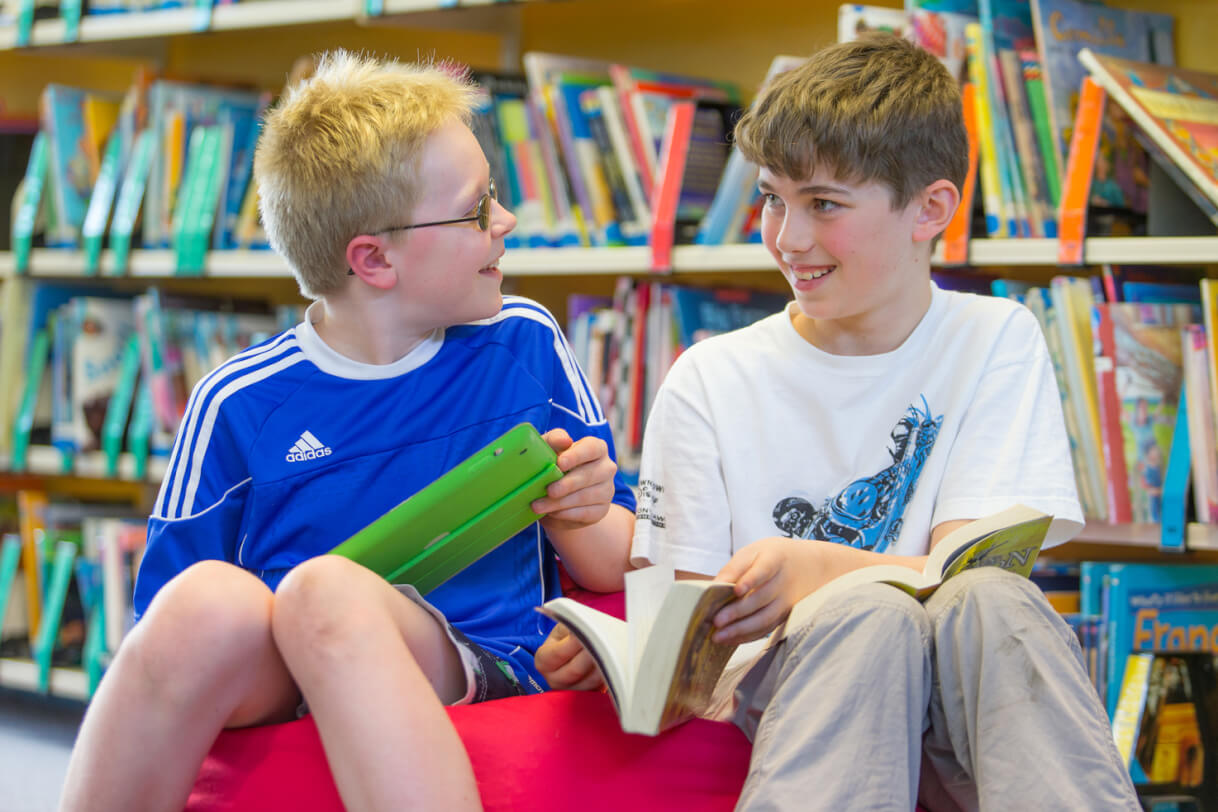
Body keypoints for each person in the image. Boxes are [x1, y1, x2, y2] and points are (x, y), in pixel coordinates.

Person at [537, 35, 1141, 811]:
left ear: (930, 209)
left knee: (996, 600)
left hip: (966, 716)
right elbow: (690, 630)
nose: (788, 238)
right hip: (806, 705)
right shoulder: (710, 378)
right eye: (771, 198)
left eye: (823, 203)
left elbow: (970, 573)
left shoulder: (995, 336)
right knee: (871, 613)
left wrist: (815, 570)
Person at [60, 51, 635, 812]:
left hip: (480, 657)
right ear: (373, 259)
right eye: (476, 208)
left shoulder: (524, 343)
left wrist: (581, 513)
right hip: (286, 677)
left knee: (327, 592)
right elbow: (160, 641)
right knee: (204, 601)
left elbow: (619, 563)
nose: (505, 220)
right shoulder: (237, 401)